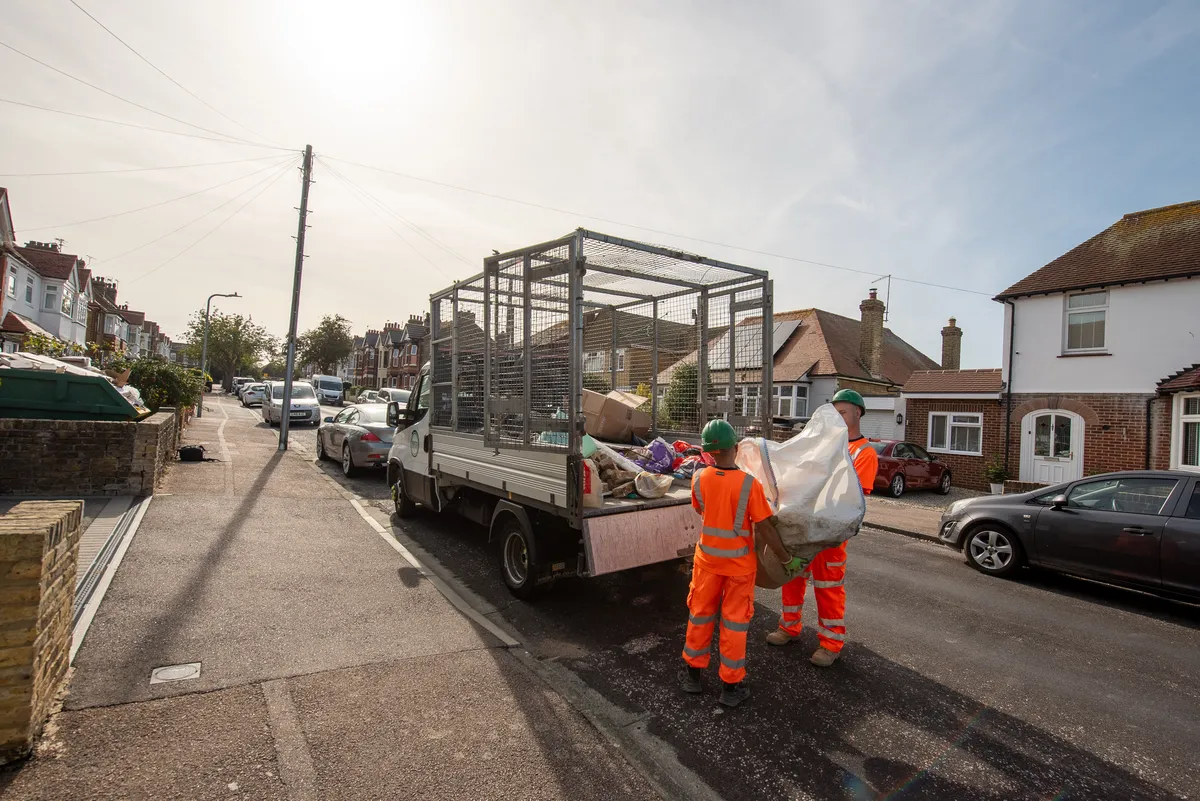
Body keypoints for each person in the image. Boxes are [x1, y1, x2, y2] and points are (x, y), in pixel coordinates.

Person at [681, 419, 799, 708]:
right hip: (738, 568)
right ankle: (730, 687)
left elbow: (701, 508)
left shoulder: (699, 479)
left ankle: (692, 677)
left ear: (708, 452)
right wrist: (786, 558)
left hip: (707, 562)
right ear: (735, 447)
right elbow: (766, 527)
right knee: (734, 625)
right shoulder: (749, 485)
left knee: (700, 615)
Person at [765, 389, 879, 667]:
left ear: (858, 413)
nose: (838, 418)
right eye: (835, 412)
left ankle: (831, 643)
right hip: (805, 526)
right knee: (792, 576)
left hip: (831, 533)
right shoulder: (823, 447)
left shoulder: (864, 453)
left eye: (843, 412)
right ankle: (789, 627)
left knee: (828, 586)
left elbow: (850, 498)